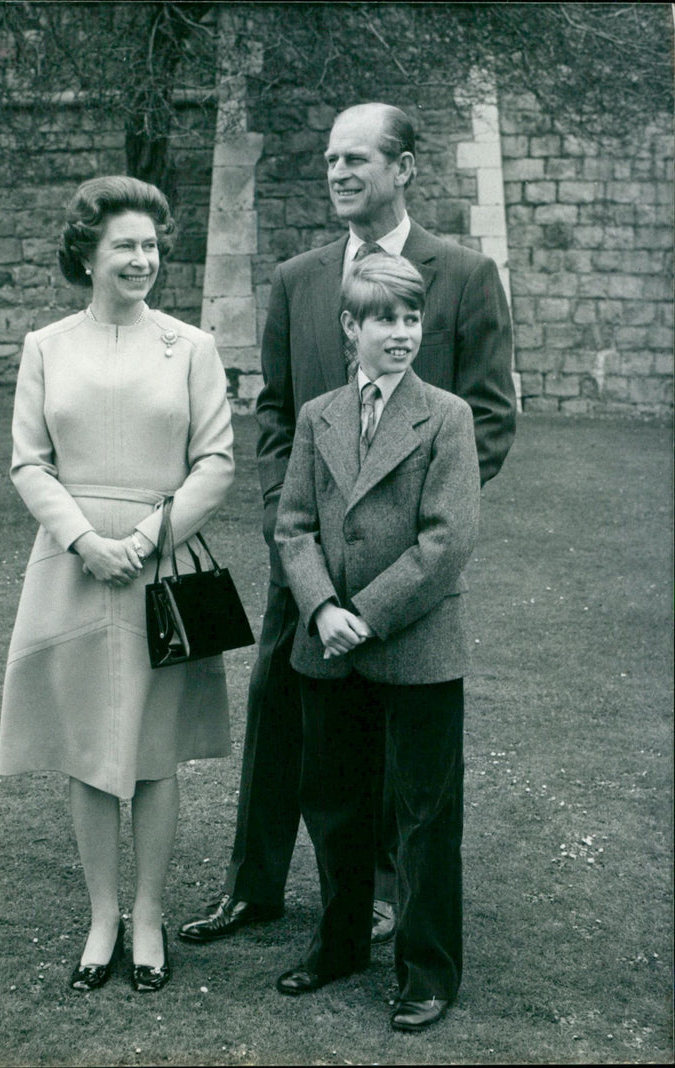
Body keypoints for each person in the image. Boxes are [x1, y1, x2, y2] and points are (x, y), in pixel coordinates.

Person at [179, 101, 515, 947]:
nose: (337, 173)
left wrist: (413, 530)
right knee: (277, 714)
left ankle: (383, 894)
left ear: (405, 167)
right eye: (331, 159)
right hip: (307, 566)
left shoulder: (465, 276)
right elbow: (276, 415)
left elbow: (489, 420)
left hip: (405, 573)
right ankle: (252, 887)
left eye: (357, 158)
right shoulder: (299, 280)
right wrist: (289, 536)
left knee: (398, 743)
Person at [0, 176, 235, 994]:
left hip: (156, 568)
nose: (143, 259)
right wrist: (83, 541)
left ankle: (151, 915)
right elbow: (30, 460)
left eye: (151, 245)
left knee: (153, 752)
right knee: (86, 747)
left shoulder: (190, 346)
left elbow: (216, 463)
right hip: (70, 567)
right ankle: (103, 916)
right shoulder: (46, 346)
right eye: (125, 245)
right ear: (88, 256)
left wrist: (140, 538)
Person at [273, 252, 480, 1032]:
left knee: (423, 814)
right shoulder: (318, 414)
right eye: (383, 319)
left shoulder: (447, 417)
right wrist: (323, 608)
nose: (401, 334)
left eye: (411, 318)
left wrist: (365, 610)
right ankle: (340, 944)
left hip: (415, 645)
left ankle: (427, 969)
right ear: (350, 327)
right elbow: (293, 523)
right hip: (330, 646)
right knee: (334, 804)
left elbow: (446, 539)